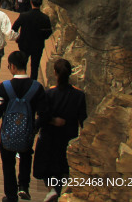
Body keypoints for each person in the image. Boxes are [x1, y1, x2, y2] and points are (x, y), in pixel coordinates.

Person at [0, 50, 48, 202]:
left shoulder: (5, 87)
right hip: (27, 132)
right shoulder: (37, 87)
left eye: (9, 66)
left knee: (8, 163)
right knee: (26, 156)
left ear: (13, 67)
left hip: (8, 133)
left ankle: (11, 196)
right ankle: (23, 185)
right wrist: (35, 128)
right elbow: (43, 113)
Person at [33, 59, 87, 201]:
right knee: (62, 166)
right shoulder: (79, 95)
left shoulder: (49, 93)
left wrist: (36, 128)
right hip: (68, 136)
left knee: (47, 165)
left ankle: (52, 190)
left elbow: (43, 115)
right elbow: (83, 120)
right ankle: (59, 190)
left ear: (55, 73)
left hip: (49, 136)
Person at [12, 0, 53, 81]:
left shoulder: (24, 16)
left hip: (24, 44)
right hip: (38, 45)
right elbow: (48, 32)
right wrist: (42, 37)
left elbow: (14, 28)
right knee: (35, 66)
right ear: (41, 3)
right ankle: (33, 83)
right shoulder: (45, 18)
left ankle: (23, 81)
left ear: (31, 2)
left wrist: (18, 37)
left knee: (23, 64)